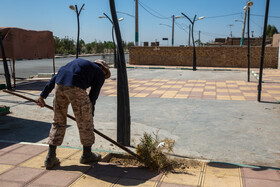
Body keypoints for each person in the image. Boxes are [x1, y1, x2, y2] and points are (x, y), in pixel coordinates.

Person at [37, 58, 111, 169]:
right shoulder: (99, 72)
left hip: (59, 86)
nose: (104, 76)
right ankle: (87, 155)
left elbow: (54, 79)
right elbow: (93, 96)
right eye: (105, 73)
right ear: (103, 68)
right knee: (85, 123)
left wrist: (42, 96)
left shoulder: (77, 64)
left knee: (58, 122)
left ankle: (50, 157)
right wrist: (90, 114)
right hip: (76, 88)